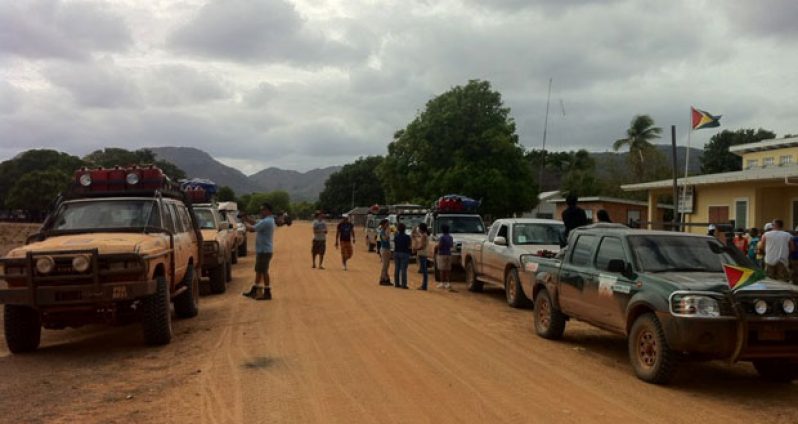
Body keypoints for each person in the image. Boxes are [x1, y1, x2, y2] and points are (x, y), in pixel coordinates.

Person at [241, 203, 277, 301]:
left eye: (263, 210)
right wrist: (247, 219)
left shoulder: (267, 221)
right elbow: (255, 223)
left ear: (269, 211)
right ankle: (255, 290)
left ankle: (267, 292)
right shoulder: (268, 220)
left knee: (263, 271)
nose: (261, 211)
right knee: (259, 270)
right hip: (264, 250)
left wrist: (244, 222)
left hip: (264, 251)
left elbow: (252, 229)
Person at [435, 224, 455, 291]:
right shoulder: (450, 237)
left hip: (442, 254)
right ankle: (448, 283)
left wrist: (437, 247)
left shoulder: (442, 237)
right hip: (448, 253)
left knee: (442, 269)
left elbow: (440, 246)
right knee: (448, 269)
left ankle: (442, 282)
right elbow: (451, 245)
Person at [393, 223, 411, 289]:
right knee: (403, 269)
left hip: (397, 252)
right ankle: (403, 284)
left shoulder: (396, 236)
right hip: (405, 253)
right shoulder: (407, 237)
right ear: (404, 229)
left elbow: (395, 243)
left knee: (397, 268)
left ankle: (397, 283)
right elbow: (409, 246)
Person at [412, 223, 430, 290]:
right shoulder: (424, 235)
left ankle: (424, 286)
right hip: (423, 253)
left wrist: (415, 249)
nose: (418, 229)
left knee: (424, 271)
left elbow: (422, 246)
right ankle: (424, 285)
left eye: (419, 228)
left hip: (422, 254)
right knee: (424, 270)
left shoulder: (424, 236)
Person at [378, 219, 392, 286]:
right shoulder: (382, 232)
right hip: (384, 249)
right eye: (387, 224)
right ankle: (382, 279)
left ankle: (386, 279)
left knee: (387, 265)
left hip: (386, 249)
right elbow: (385, 239)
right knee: (385, 266)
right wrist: (388, 232)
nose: (388, 225)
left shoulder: (385, 231)